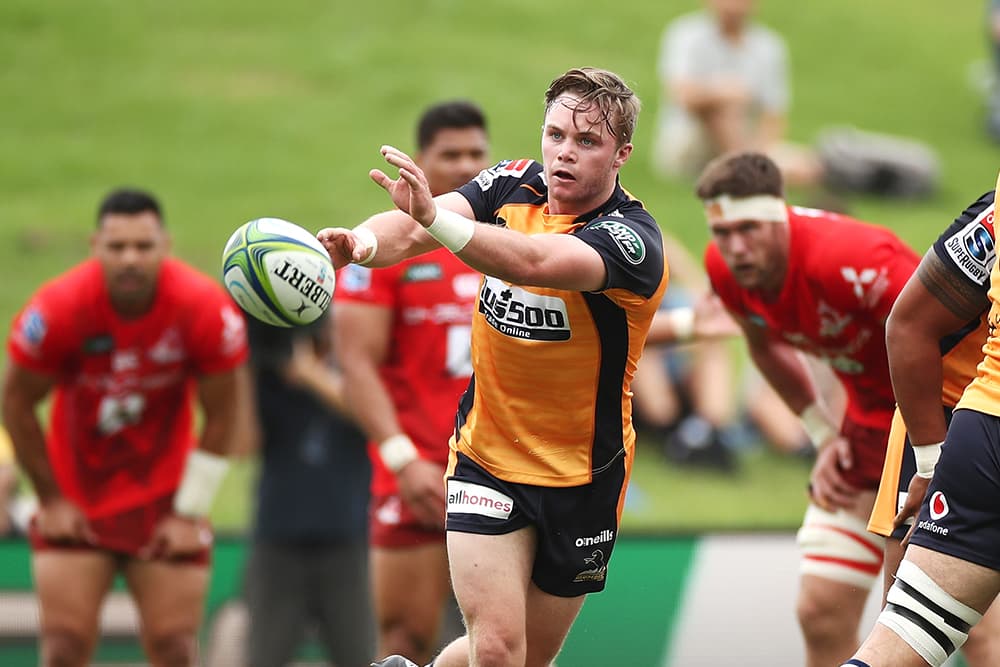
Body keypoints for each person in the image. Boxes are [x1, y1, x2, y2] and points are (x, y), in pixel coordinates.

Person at [317, 66, 666, 667]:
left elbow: (531, 261)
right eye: (556, 135)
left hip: (584, 475)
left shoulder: (631, 241)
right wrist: (363, 245)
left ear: (622, 155)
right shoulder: (511, 183)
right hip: (487, 459)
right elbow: (409, 226)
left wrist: (435, 220)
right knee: (499, 648)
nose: (565, 154)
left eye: (588, 143)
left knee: (523, 659)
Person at [0, 188, 250, 666]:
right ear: (96, 246)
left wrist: (190, 509)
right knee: (64, 647)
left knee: (176, 647)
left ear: (165, 245)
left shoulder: (202, 307)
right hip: (77, 501)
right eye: (117, 247)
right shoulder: (59, 307)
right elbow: (15, 402)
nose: (130, 259)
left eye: (143, 246)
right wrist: (50, 498)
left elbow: (223, 411)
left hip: (165, 504)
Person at [700, 151, 919, 666]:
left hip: (944, 434)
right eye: (722, 232)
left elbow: (956, 338)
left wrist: (936, 457)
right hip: (866, 438)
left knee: (968, 629)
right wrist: (824, 435)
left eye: (748, 228)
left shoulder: (854, 262)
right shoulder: (726, 269)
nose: (734, 247)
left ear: (782, 212)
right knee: (820, 611)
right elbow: (760, 343)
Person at [332, 100, 489, 665]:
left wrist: (691, 325)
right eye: (451, 154)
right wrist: (401, 459)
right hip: (415, 471)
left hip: (502, 468)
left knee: (505, 645)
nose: (466, 164)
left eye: (477, 153)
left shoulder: (510, 240)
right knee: (403, 639)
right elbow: (355, 362)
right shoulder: (393, 247)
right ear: (421, 160)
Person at [842, 177, 1000, 667]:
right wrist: (931, 460)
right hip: (949, 420)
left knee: (903, 645)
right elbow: (907, 324)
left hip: (980, 429)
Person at [243, 312, 375, 667]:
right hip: (279, 541)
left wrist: (312, 374)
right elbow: (243, 444)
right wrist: (242, 366)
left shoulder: (356, 379)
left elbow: (371, 418)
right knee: (264, 656)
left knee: (360, 654)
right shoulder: (269, 383)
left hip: (347, 541)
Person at [653, 0, 823, 187]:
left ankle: (750, 167)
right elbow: (682, 96)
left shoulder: (769, 45)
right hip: (690, 141)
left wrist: (761, 150)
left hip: (747, 138)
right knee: (725, 108)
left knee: (807, 166)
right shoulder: (686, 35)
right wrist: (723, 93)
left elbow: (773, 115)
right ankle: (749, 172)